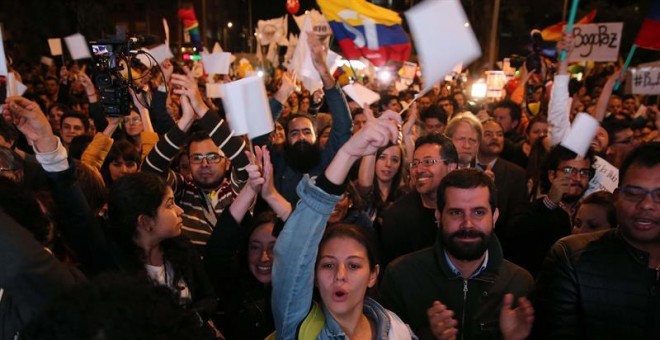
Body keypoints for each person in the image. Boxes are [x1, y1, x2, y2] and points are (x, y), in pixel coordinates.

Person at [270, 109, 417, 339]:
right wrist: (348, 153)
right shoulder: (298, 327)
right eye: (327, 265)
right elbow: (292, 253)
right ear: (314, 277)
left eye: (354, 266)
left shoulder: (397, 331)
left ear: (373, 275)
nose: (340, 275)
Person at [379, 169, 535, 339]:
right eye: (455, 213)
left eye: (478, 212)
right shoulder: (401, 276)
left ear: (495, 216)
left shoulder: (518, 282)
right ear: (438, 216)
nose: (467, 224)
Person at [533, 142, 660, 339]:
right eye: (634, 194)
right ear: (617, 197)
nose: (646, 205)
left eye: (659, 196)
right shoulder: (571, 258)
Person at [142, 68, 249, 251]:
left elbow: (244, 160)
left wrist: (201, 108)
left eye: (213, 157)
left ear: (227, 161)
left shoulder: (239, 191)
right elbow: (149, 171)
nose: (205, 164)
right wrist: (185, 121)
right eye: (197, 158)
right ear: (188, 162)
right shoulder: (181, 192)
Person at [510, 145, 596, 276]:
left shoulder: (590, 212)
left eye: (584, 172)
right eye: (569, 170)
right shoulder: (531, 208)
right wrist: (550, 203)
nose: (577, 178)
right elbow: (517, 239)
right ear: (551, 175)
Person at [379, 134, 459, 268]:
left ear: (451, 167)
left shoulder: (465, 209)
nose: (419, 170)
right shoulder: (397, 216)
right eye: (415, 164)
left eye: (428, 162)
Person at [475, 119, 529, 253]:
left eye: (499, 134)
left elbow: (517, 218)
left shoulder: (516, 174)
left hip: (500, 247)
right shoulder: (464, 166)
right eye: (488, 134)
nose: (495, 138)